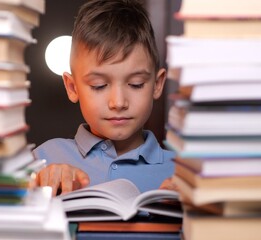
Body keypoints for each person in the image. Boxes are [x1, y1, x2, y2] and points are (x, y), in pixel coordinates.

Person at [33, 0, 175, 195]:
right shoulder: (43, 159)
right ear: (72, 87)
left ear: (157, 85)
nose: (118, 102)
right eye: (98, 86)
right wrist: (38, 187)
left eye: (136, 84)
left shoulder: (181, 172)